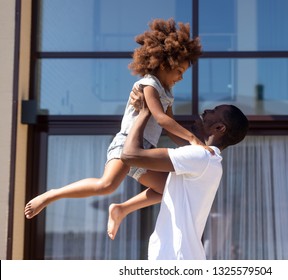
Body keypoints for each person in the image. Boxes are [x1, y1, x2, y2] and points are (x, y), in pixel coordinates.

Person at [24, 18, 213, 227]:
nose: (181, 77)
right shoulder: (148, 84)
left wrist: (194, 149)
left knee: (169, 188)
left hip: (144, 152)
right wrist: (194, 139)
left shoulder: (167, 93)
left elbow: (170, 128)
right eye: (179, 71)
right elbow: (161, 118)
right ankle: (52, 195)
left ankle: (122, 209)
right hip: (127, 145)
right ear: (165, 63)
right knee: (106, 185)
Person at [108, 88, 249, 260]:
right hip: (178, 256)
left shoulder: (201, 156)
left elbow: (130, 155)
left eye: (213, 111)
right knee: (164, 186)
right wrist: (164, 104)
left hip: (175, 258)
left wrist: (144, 113)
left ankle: (123, 209)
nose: (205, 111)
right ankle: (123, 208)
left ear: (219, 128)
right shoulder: (207, 159)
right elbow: (171, 130)